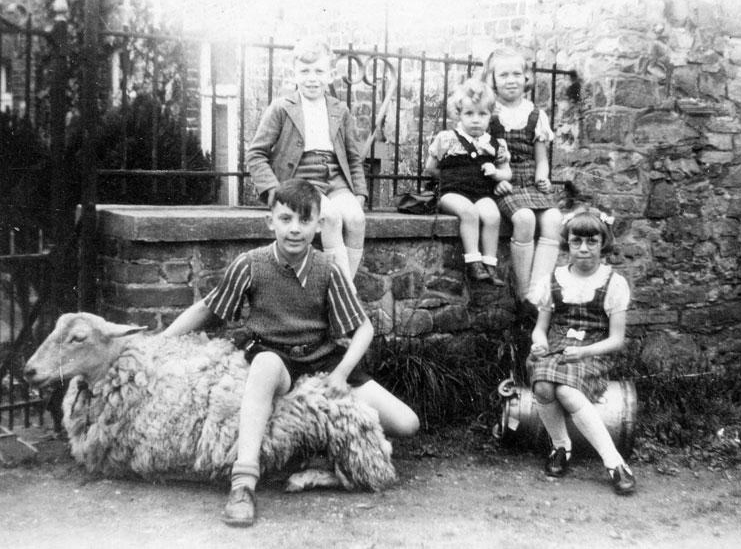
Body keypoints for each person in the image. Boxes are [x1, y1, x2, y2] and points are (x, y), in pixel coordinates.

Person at [162, 179, 419, 526]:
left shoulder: (327, 269)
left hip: (321, 359)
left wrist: (341, 374)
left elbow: (363, 328)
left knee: (407, 423)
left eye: (304, 220)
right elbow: (208, 309)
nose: (294, 229)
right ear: (271, 222)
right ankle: (243, 483)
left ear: (318, 225)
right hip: (274, 355)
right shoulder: (250, 264)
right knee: (265, 365)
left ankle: (321, 465)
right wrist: (161, 339)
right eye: (285, 219)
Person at [527, 206, 636, 495]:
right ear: (568, 243)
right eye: (577, 241)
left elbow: (616, 339)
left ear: (603, 244)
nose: (584, 249)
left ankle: (615, 463)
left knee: (565, 391)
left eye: (592, 242)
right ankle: (561, 447)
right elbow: (541, 327)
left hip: (593, 351)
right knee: (542, 386)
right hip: (558, 348)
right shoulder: (554, 279)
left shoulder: (613, 283)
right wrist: (539, 343)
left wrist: (585, 353)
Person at [246, 37, 367, 288]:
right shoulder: (281, 107)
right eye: (305, 71)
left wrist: (361, 194)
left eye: (319, 71)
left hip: (335, 178)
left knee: (356, 219)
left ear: (331, 75)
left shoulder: (339, 110)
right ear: (294, 74)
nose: (312, 78)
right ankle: (346, 292)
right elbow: (255, 154)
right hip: (301, 178)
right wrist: (273, 191)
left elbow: (354, 157)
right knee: (330, 218)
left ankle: (344, 289)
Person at [483, 47, 563, 307]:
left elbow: (541, 159)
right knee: (525, 218)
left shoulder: (536, 115)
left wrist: (543, 177)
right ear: (492, 79)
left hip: (531, 182)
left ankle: (538, 293)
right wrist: (497, 179)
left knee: (554, 218)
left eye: (517, 73)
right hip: (504, 185)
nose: (511, 80)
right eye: (503, 74)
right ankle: (523, 290)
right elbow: (481, 157)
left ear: (526, 78)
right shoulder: (488, 113)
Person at [424, 78, 512, 284]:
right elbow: (430, 167)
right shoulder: (447, 139)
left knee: (492, 215)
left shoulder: (494, 144)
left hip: (481, 193)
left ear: (491, 116)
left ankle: (490, 264)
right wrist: (449, 178)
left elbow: (507, 172)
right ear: (459, 114)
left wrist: (496, 173)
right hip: (452, 193)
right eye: (469, 113)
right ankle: (474, 262)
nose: (475, 120)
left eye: (482, 114)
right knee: (469, 213)